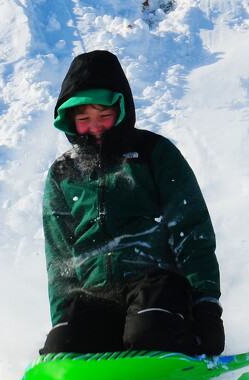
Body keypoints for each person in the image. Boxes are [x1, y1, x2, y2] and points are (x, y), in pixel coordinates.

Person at [40, 50, 225, 357]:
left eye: (104, 116)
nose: (95, 126)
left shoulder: (153, 153)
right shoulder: (63, 173)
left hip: (156, 284)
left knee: (149, 334)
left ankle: (180, 343)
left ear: (122, 110)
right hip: (94, 293)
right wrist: (62, 321)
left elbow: (192, 230)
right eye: (84, 119)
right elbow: (60, 257)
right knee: (64, 349)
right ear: (70, 120)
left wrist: (207, 307)